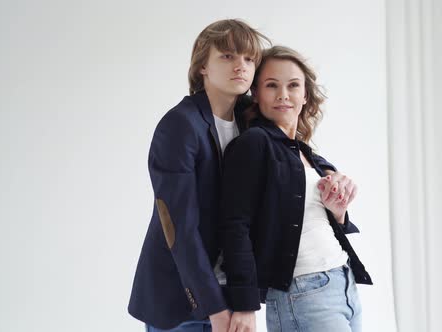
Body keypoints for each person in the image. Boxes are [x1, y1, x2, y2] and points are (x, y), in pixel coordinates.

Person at [128, 20, 352, 332]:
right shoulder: (181, 126)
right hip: (184, 299)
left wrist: (331, 173)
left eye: (249, 59)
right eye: (228, 57)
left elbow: (291, 148)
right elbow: (179, 227)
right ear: (203, 66)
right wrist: (215, 308)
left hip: (232, 292)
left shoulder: (250, 116)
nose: (241, 67)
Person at [219, 46, 373, 332]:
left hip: (343, 281)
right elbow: (235, 225)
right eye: (271, 85)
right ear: (256, 93)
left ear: (305, 95)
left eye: (293, 85)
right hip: (304, 292)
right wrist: (244, 303)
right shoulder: (254, 143)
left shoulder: (303, 152)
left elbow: (307, 219)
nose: (283, 95)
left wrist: (338, 211)